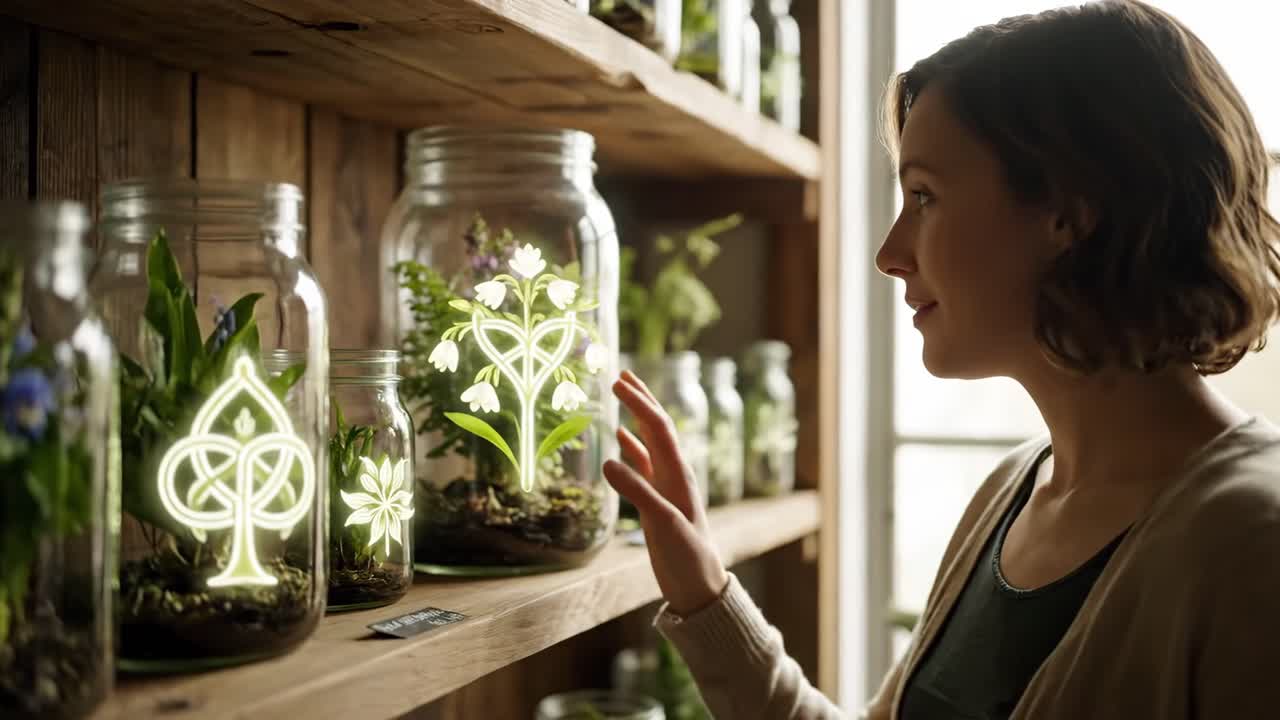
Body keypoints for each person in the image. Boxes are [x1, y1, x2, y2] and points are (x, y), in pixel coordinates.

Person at [601, 1, 1280, 718]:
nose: (889, 254)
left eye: (924, 196)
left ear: (1070, 214)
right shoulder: (1012, 490)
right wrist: (705, 594)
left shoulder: (1253, 543)